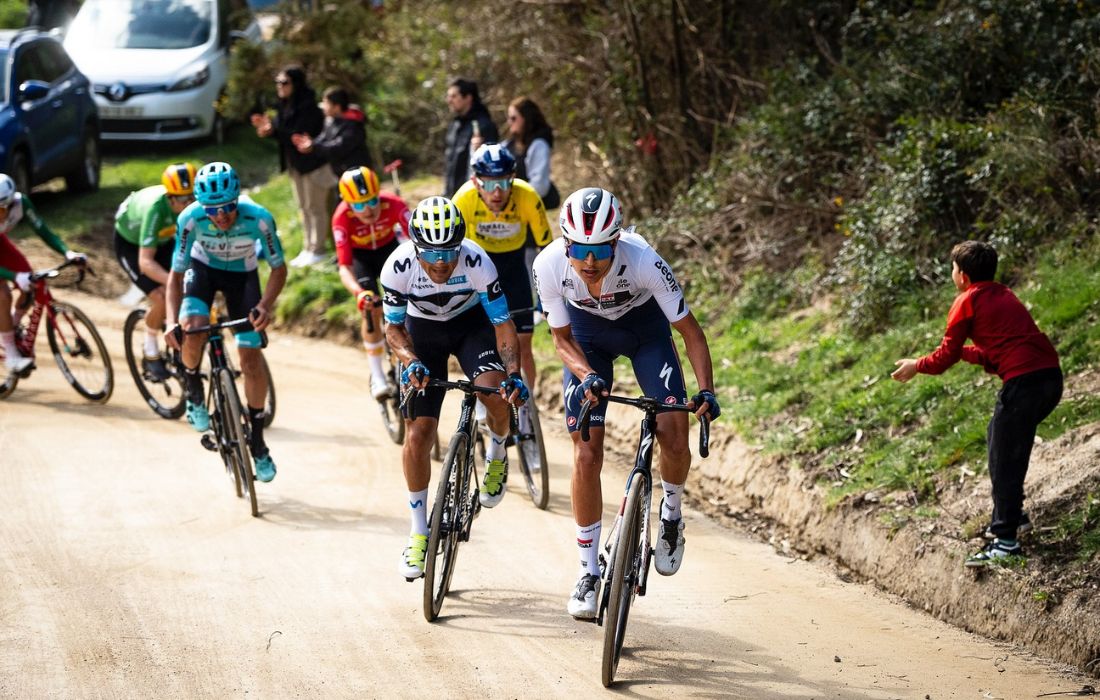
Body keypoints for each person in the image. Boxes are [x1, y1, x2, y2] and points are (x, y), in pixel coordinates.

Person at [531, 187, 720, 620]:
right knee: (586, 452)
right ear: (566, 244)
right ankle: (587, 571)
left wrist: (705, 389)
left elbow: (689, 331)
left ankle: (671, 513)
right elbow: (560, 340)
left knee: (674, 435)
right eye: (579, 249)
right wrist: (586, 376)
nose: (590, 261)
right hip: (586, 340)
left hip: (645, 332)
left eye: (599, 250)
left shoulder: (644, 260)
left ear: (616, 242)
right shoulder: (548, 265)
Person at [381, 196, 528, 579]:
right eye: (431, 252)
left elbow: (501, 323)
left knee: (494, 394)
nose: (442, 261)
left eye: (449, 251)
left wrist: (513, 372)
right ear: (416, 247)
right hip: (422, 334)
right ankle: (418, 533)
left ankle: (497, 452)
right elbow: (393, 329)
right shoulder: (397, 267)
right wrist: (411, 361)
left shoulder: (478, 260)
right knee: (419, 434)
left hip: (471, 328)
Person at [891, 240, 1062, 567]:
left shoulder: (965, 301)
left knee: (1003, 458)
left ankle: (1006, 542)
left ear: (963, 275)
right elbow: (993, 350)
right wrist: (949, 357)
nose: (952, 273)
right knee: (1002, 444)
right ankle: (1013, 517)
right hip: (1050, 378)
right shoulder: (1004, 295)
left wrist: (918, 365)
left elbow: (943, 358)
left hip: (1023, 383)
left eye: (954, 268)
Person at [164, 162, 288, 483]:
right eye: (212, 210)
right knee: (192, 325)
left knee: (250, 359)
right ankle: (192, 385)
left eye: (228, 207)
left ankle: (258, 442)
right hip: (202, 270)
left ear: (238, 199)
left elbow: (278, 268)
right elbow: (176, 276)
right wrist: (170, 320)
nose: (220, 216)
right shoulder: (189, 219)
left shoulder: (259, 218)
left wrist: (264, 305)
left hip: (242, 277)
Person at [452, 143, 550, 396]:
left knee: (523, 344)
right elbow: (450, 248)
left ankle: (527, 411)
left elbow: (548, 250)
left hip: (514, 268)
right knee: (482, 341)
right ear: (475, 182)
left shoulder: (527, 196)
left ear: (513, 179)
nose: (497, 193)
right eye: (488, 184)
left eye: (504, 184)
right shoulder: (463, 199)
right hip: (480, 270)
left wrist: (547, 295)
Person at [113, 163, 197, 380]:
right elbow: (146, 263)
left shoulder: (192, 207)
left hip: (164, 238)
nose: (188, 204)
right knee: (162, 296)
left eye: (192, 198)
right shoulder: (156, 208)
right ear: (170, 198)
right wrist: (173, 282)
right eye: (181, 199)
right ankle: (150, 351)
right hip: (132, 245)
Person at [332, 166, 410, 399]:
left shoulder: (394, 203)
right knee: (370, 309)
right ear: (347, 203)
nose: (367, 210)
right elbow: (344, 267)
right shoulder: (341, 218)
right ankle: (377, 376)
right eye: (358, 205)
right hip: (361, 257)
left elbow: (417, 243)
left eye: (371, 201)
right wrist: (358, 293)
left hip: (388, 250)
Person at [0, 173, 86, 374]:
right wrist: (14, 277)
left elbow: (44, 232)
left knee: (32, 282)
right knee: (3, 295)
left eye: (1, 210)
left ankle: (8, 326)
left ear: (11, 204)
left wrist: (68, 252)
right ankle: (11, 353)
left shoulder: (22, 204)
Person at [251, 66, 333, 268]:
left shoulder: (308, 107)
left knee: (316, 208)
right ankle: (308, 248)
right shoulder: (284, 105)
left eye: (284, 82)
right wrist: (269, 130)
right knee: (303, 207)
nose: (280, 86)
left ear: (296, 84)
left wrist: (274, 130)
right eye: (277, 82)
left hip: (313, 165)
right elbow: (284, 134)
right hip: (295, 165)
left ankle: (318, 249)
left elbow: (296, 135)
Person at [292, 86, 373, 177]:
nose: (323, 106)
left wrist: (314, 146)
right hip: (341, 174)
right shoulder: (330, 120)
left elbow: (338, 147)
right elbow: (323, 138)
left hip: (359, 174)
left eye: (326, 103)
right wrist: (310, 142)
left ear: (336, 107)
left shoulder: (353, 124)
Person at [442, 78, 498, 198]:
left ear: (468, 97)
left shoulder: (484, 126)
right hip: (452, 195)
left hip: (473, 197)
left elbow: (491, 167)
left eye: (453, 96)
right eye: (448, 96)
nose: (449, 100)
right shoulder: (455, 125)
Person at [502, 96, 558, 210]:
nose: (509, 122)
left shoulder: (538, 145)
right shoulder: (508, 145)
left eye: (514, 118)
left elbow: (539, 185)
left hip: (528, 209)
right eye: (509, 118)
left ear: (526, 118)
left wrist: (514, 202)